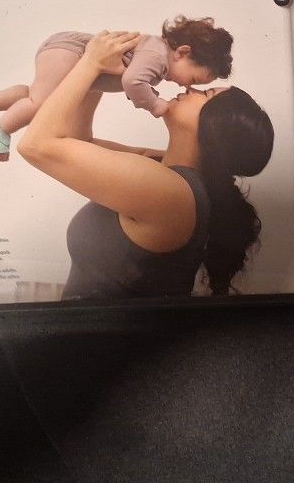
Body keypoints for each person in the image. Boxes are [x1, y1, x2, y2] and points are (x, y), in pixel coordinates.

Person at [17, 30, 274, 299]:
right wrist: (100, 73)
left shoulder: (171, 193)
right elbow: (78, 141)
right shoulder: (161, 169)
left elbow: (36, 145)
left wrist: (91, 63)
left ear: (216, 128)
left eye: (206, 93)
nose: (190, 89)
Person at [0, 16, 235, 160]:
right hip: (71, 51)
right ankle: (1, 130)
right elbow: (132, 82)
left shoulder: (158, 57)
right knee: (40, 104)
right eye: (194, 80)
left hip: (66, 49)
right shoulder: (157, 56)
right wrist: (154, 104)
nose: (187, 86)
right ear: (183, 52)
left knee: (37, 96)